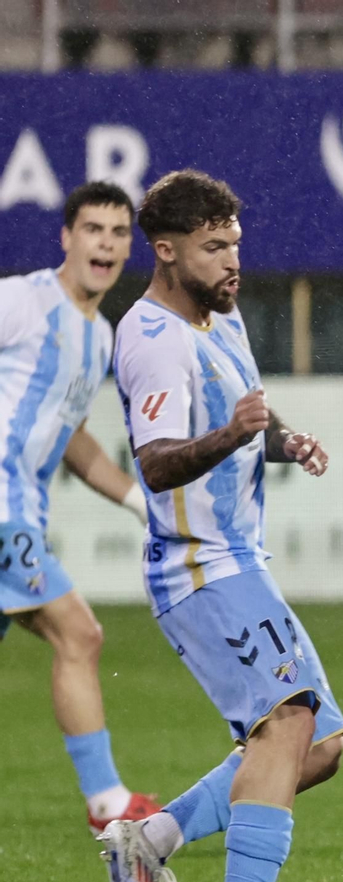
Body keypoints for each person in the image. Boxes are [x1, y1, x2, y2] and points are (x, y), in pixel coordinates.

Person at [95, 169, 343, 882]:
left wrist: (282, 438)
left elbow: (243, 415)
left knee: (320, 744)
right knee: (289, 717)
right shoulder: (150, 339)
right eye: (213, 247)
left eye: (235, 242)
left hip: (240, 560)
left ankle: (150, 840)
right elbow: (159, 462)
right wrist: (238, 436)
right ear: (165, 251)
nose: (232, 260)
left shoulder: (222, 314)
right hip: (198, 567)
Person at [0, 180, 161, 831]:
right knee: (81, 633)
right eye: (94, 229)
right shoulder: (22, 301)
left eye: (119, 233)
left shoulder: (99, 336)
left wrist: (139, 502)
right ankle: (108, 806)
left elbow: (72, 438)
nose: (107, 243)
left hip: (24, 514)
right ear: (67, 237)